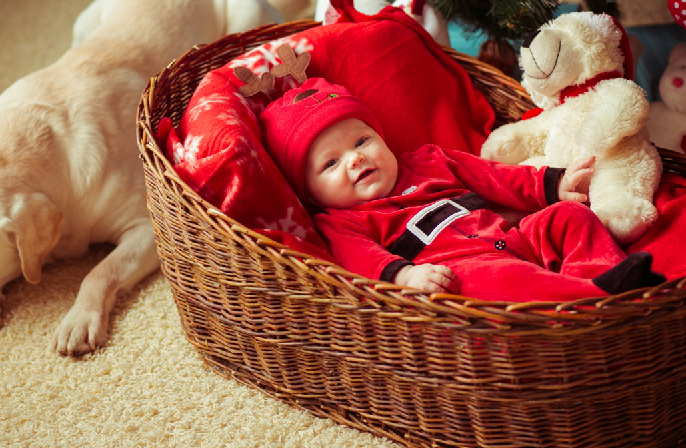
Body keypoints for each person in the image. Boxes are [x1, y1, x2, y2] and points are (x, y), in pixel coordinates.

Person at [258, 77, 665, 300]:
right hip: (460, 269)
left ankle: (611, 280)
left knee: (570, 217)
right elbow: (360, 258)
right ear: (310, 193)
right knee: (504, 280)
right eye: (330, 164)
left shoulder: (428, 160)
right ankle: (586, 301)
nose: (355, 159)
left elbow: (494, 176)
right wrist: (403, 277)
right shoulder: (341, 222)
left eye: (362, 141)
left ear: (380, 137)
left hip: (513, 237)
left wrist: (554, 185)